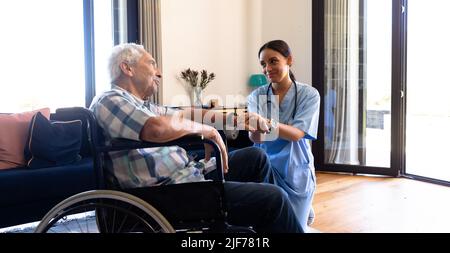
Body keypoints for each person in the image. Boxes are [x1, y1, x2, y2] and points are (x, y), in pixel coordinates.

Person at [89, 43, 303, 233]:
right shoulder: (110, 100)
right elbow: (156, 129)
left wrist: (239, 119)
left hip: (188, 177)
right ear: (127, 68)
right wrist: (207, 131)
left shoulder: (142, 105)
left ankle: (253, 220)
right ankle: (254, 213)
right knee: (274, 199)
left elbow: (185, 114)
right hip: (166, 192)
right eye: (152, 64)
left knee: (255, 157)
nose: (159, 72)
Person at [244, 40, 320, 229]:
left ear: (289, 60)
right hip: (265, 166)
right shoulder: (256, 96)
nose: (267, 68)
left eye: (273, 61)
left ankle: (304, 208)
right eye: (263, 64)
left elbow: (296, 134)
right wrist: (255, 129)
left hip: (295, 169)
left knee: (293, 228)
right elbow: (255, 137)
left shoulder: (309, 95)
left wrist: (266, 123)